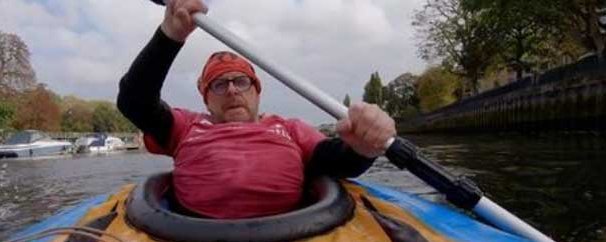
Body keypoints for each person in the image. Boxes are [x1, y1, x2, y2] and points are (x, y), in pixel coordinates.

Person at [117, 0, 397, 219]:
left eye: (240, 81)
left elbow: (337, 162)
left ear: (256, 90)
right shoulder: (184, 127)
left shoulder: (290, 129)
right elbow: (134, 101)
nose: (232, 90)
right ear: (205, 98)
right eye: (218, 84)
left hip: (295, 238)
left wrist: (363, 148)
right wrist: (171, 35)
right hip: (190, 240)